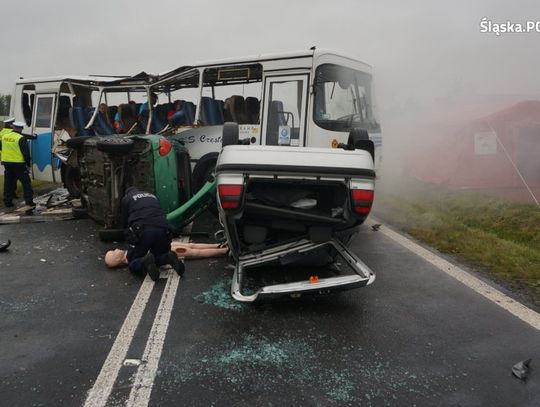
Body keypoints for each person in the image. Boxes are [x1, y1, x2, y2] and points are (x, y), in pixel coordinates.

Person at [120, 186, 184, 281]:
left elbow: (124, 222)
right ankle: (167, 258)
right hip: (164, 230)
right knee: (158, 255)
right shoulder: (152, 196)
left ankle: (143, 261)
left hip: (144, 231)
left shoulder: (127, 199)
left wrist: (129, 238)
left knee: (133, 262)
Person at [104, 242, 227, 268]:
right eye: (114, 252)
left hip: (163, 245)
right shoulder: (133, 259)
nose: (115, 249)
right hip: (162, 249)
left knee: (192, 246)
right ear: (117, 259)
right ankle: (223, 250)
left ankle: (219, 245)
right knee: (194, 251)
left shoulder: (130, 254)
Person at [0, 121, 34, 208]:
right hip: (19, 164)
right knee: (26, 183)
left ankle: (8, 202)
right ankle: (29, 201)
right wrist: (28, 164)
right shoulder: (20, 138)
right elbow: (26, 153)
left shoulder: (4, 136)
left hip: (7, 163)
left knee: (8, 183)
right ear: (21, 128)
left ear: (13, 127)